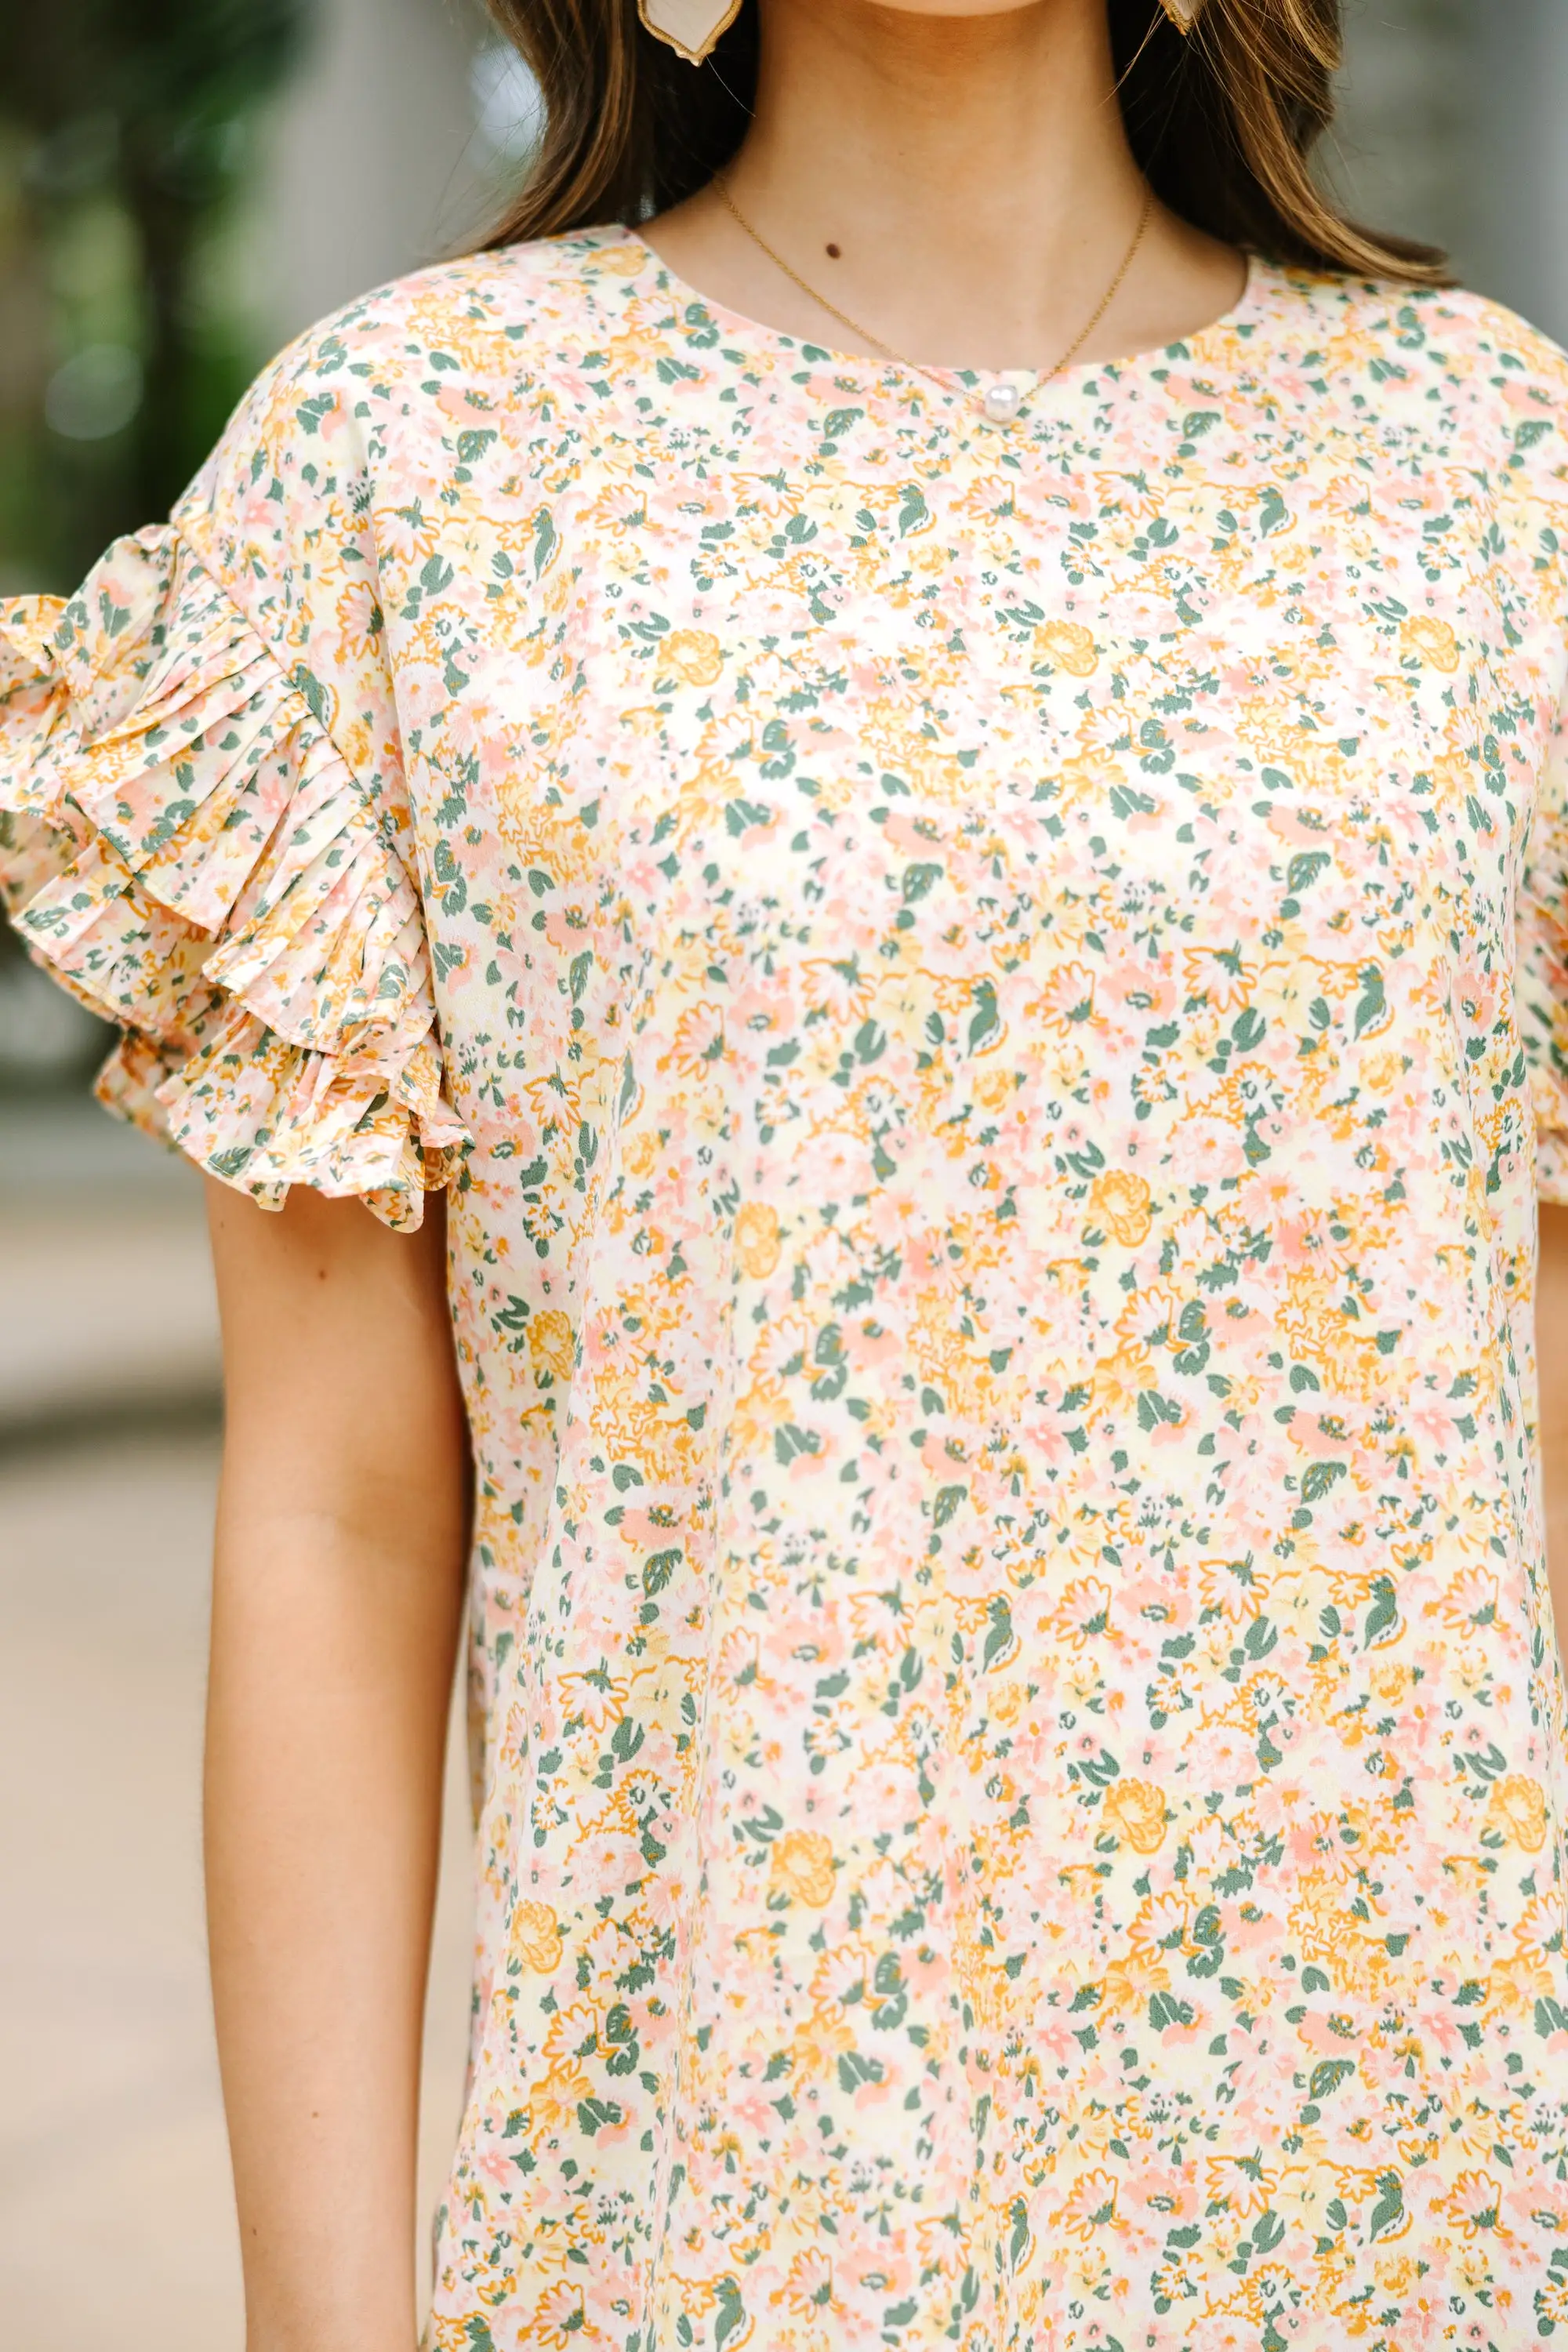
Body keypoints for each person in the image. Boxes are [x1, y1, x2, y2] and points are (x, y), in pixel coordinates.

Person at [5, 0, 1568, 2343]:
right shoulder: (408, 472)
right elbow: (334, 1506)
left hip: (1415, 2220)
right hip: (713, 2216)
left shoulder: (1498, 482)